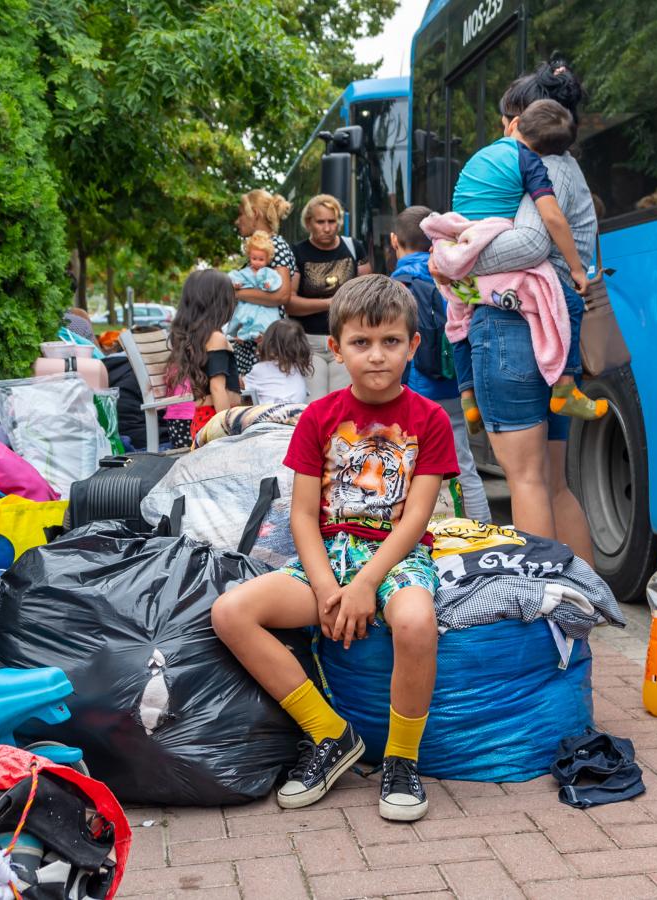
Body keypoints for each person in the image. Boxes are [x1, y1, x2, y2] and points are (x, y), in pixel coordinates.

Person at [210, 275, 457, 823]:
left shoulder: (430, 420)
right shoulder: (318, 419)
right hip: (327, 555)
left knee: (416, 623)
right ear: (336, 347)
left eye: (391, 342)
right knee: (230, 612)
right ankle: (330, 734)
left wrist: (367, 584)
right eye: (361, 343)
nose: (376, 356)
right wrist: (326, 586)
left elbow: (416, 518)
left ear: (413, 346)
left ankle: (401, 758)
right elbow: (301, 514)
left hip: (396, 556)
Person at [456, 61, 598, 560]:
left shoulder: (535, 164)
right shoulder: (569, 166)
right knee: (554, 484)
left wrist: (457, 261)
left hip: (515, 323)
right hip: (550, 331)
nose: (503, 134)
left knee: (526, 482)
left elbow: (532, 243)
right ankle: (583, 604)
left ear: (525, 118)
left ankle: (544, 613)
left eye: (507, 120)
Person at [438, 98, 603, 438]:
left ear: (513, 125)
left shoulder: (483, 154)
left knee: (459, 319)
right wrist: (575, 268)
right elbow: (552, 218)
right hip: (494, 246)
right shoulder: (530, 162)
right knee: (567, 301)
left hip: (460, 239)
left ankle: (468, 394)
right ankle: (565, 387)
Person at [391, 205, 492, 523]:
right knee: (463, 465)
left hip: (417, 390)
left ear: (395, 241)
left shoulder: (397, 285)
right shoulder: (454, 275)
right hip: (457, 385)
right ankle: (482, 530)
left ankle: (420, 535)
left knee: (412, 470)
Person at [290, 194, 370, 399]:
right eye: (320, 222)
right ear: (308, 223)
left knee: (344, 403)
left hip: (347, 340)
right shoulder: (297, 252)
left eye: (332, 221)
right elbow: (289, 303)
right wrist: (330, 303)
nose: (327, 228)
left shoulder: (354, 247)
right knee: (315, 404)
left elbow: (368, 293)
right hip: (309, 343)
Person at [163, 269, 242, 442]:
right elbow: (217, 388)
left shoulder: (196, 338)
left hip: (202, 418)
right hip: (216, 418)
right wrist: (226, 432)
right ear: (220, 302)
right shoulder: (216, 338)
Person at [234, 190, 297, 375]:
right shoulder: (261, 248)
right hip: (252, 343)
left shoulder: (275, 246)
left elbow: (282, 294)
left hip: (264, 346)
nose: (238, 221)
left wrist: (235, 293)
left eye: (240, 213)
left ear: (254, 213)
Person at [226, 231, 285, 343]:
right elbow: (235, 277)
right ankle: (242, 335)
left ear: (268, 259)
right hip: (249, 304)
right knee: (243, 317)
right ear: (249, 256)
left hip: (265, 305)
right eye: (254, 258)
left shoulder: (268, 272)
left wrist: (269, 284)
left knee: (265, 321)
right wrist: (237, 283)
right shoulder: (245, 272)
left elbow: (276, 280)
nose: (257, 262)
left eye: (261, 259)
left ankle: (261, 338)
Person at [243, 317, 312, 405]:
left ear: (268, 342)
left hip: (270, 416)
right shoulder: (299, 369)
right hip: (296, 415)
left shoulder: (259, 369)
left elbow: (242, 387)